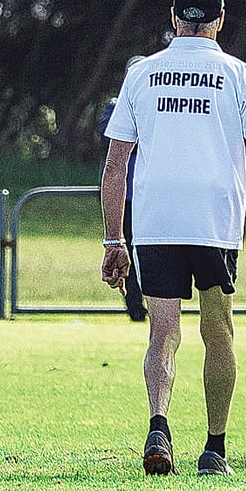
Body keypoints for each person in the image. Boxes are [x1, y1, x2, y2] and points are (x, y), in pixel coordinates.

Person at [100, 0, 246, 477]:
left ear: (173, 18)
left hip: (156, 222)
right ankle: (214, 448)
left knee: (162, 333)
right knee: (218, 331)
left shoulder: (143, 73)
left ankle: (158, 426)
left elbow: (116, 164)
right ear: (220, 21)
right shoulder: (240, 75)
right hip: (215, 222)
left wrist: (114, 238)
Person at [97, 58, 149, 322]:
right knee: (124, 248)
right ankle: (134, 305)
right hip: (125, 197)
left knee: (151, 253)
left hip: (149, 194)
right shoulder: (114, 106)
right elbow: (110, 135)